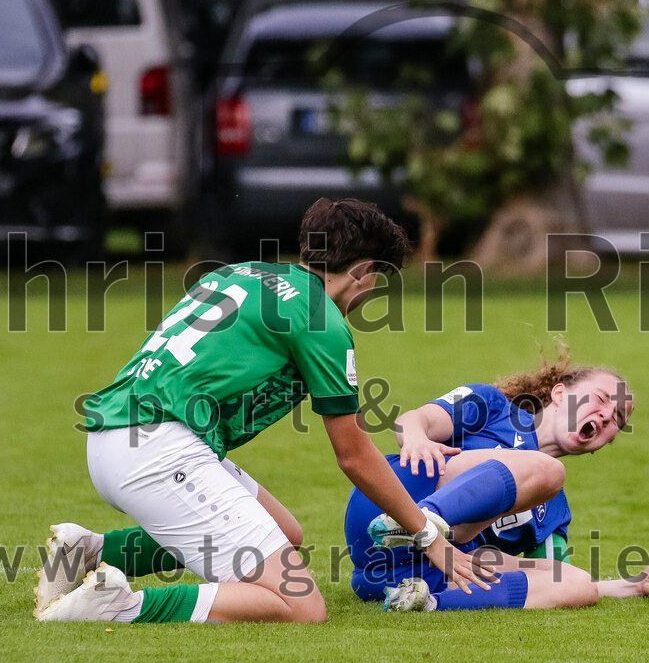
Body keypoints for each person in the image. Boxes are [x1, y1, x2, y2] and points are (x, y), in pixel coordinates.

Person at [34, 198, 494, 625]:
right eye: (378, 278)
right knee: (302, 605)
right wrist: (428, 536)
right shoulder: (319, 317)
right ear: (362, 270)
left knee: (284, 531)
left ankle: (87, 553)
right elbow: (354, 455)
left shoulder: (241, 272)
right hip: (158, 451)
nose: (373, 292)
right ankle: (122, 605)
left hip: (115, 435)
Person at [344, 356, 649, 611]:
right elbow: (413, 420)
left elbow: (551, 579)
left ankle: (424, 601)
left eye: (616, 420)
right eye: (601, 399)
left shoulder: (554, 510)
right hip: (388, 502)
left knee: (577, 584)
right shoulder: (493, 406)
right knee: (548, 470)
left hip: (400, 572)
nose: (605, 415)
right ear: (560, 393)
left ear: (604, 443)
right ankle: (423, 520)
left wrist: (637, 585)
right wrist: (416, 438)